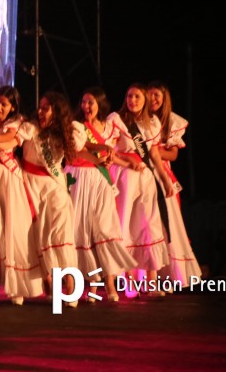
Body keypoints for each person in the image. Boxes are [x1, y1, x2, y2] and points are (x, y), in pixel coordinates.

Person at [65, 87, 136, 302]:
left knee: (104, 230)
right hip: (77, 177)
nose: (87, 106)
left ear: (100, 105)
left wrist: (121, 159)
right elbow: (78, 150)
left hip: (100, 180)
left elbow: (123, 147)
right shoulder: (76, 126)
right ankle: (85, 288)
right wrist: (102, 154)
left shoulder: (110, 126)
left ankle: (110, 286)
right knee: (79, 231)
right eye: (84, 102)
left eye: (91, 103)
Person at [0, 85, 43, 304]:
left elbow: (8, 141)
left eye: (4, 104)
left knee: (12, 229)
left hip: (6, 177)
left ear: (12, 107)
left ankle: (17, 286)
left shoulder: (15, 124)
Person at [15, 91, 79, 303]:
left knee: (60, 235)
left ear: (57, 112)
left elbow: (83, 150)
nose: (41, 111)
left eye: (46, 108)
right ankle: (48, 280)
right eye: (40, 107)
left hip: (54, 188)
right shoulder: (30, 128)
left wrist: (101, 156)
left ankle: (70, 287)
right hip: (30, 186)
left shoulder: (68, 133)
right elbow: (11, 141)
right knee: (38, 235)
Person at [111, 83, 174, 297]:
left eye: (137, 97)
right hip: (124, 177)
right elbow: (109, 152)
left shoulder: (153, 123)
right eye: (129, 96)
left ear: (144, 100)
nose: (132, 101)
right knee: (125, 225)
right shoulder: (117, 120)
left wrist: (165, 181)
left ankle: (152, 282)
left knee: (149, 224)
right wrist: (127, 162)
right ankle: (128, 282)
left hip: (145, 177)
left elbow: (155, 155)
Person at [147, 80, 202, 289]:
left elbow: (173, 153)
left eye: (157, 96)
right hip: (141, 172)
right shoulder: (139, 120)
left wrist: (152, 150)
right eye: (150, 95)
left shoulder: (170, 121)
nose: (153, 100)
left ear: (164, 99)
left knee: (165, 224)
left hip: (162, 175)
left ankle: (169, 275)